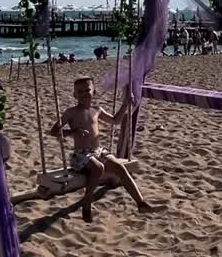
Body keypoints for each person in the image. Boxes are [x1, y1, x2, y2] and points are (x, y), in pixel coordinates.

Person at [51, 76, 151, 223]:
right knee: (98, 168)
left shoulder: (97, 110)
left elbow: (115, 121)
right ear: (74, 95)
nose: (84, 93)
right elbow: (54, 131)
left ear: (94, 92)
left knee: (120, 168)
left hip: (98, 151)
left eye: (87, 90)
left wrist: (125, 104)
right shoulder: (71, 112)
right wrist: (73, 132)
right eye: (80, 91)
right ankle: (86, 202)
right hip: (81, 155)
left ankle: (140, 203)